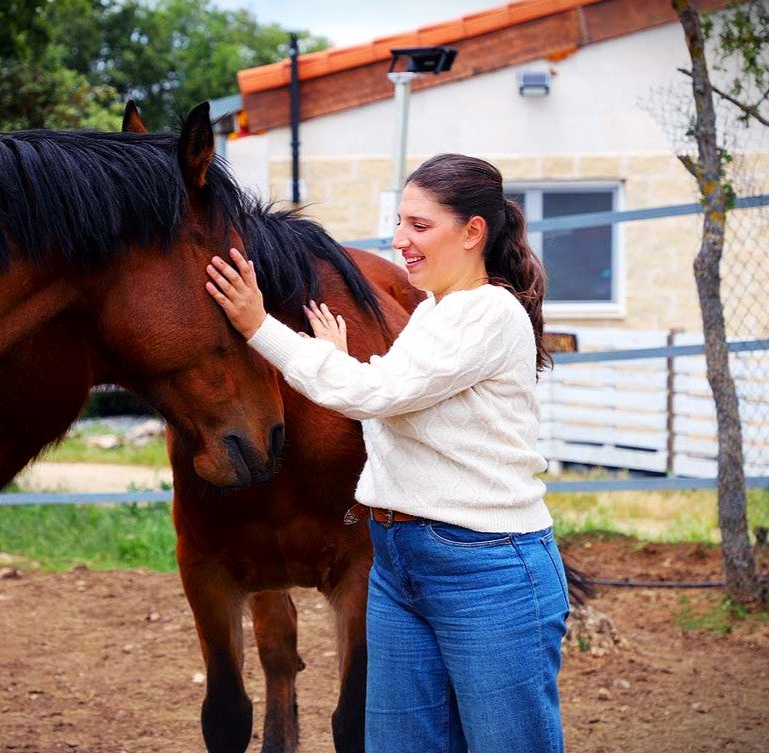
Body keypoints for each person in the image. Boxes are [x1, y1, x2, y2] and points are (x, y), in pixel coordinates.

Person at [205, 153, 570, 753]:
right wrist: (341, 364)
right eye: (401, 223)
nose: (401, 240)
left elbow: (374, 395)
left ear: (473, 231)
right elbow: (394, 411)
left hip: (485, 568)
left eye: (420, 226)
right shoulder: (432, 312)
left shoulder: (489, 312)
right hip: (399, 559)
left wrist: (258, 326)